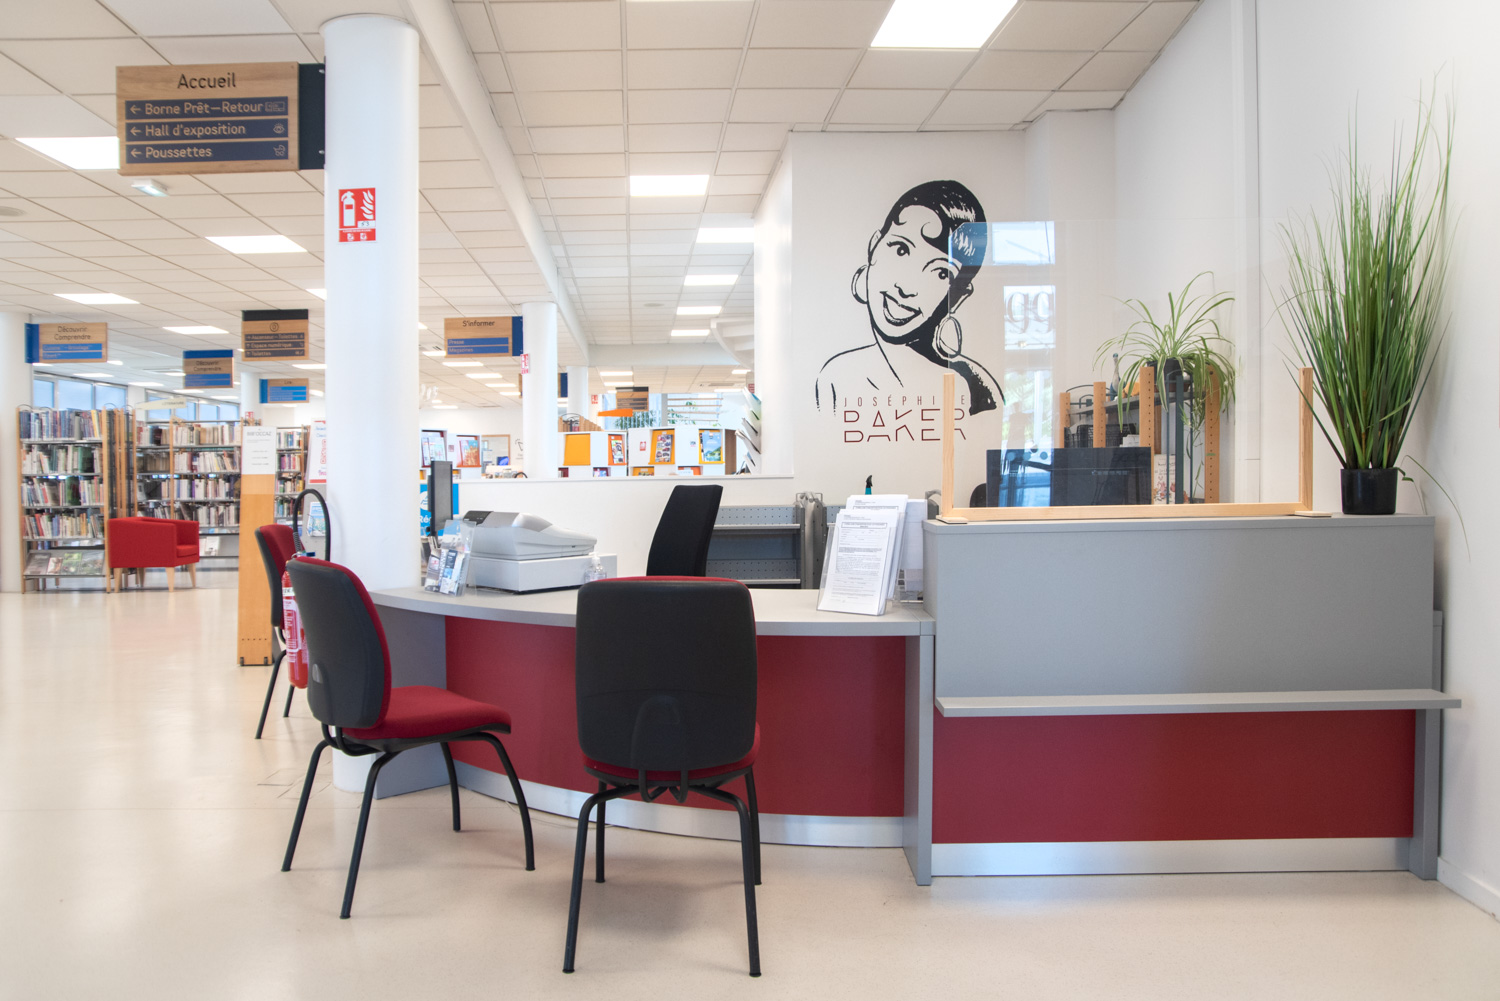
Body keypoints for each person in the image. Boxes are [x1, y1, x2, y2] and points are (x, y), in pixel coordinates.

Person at [815, 180, 1003, 415]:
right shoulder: (837, 377)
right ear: (874, 246)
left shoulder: (973, 388)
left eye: (941, 273)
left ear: (958, 296)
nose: (905, 288)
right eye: (901, 250)